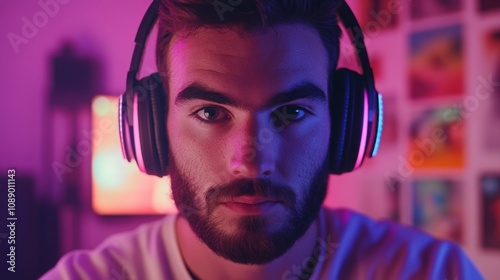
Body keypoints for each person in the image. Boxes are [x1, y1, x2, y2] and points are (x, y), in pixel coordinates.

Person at [42, 0, 483, 279]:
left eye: (292, 112)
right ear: (152, 128)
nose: (251, 162)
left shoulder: (434, 272)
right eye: (210, 113)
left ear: (347, 125)